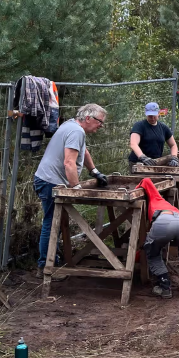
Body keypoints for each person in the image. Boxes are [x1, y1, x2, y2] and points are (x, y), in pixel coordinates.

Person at [33, 104, 109, 278]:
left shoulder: (71, 125)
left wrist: (94, 171)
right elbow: (69, 163)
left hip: (46, 179)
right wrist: (76, 189)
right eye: (100, 122)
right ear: (88, 118)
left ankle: (54, 260)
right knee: (52, 224)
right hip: (50, 182)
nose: (100, 126)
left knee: (56, 223)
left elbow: (83, 150)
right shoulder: (76, 131)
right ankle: (45, 267)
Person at [136, 178, 179, 298]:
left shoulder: (154, 198)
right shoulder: (166, 203)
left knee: (152, 252)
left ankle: (165, 287)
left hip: (163, 222)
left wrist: (135, 190)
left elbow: (146, 180)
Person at [129, 102, 179, 167]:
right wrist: (142, 157)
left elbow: (173, 145)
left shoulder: (163, 128)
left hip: (156, 163)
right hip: (138, 163)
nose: (152, 118)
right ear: (146, 114)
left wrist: (174, 157)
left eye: (154, 116)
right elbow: (133, 144)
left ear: (158, 113)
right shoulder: (139, 126)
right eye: (150, 116)